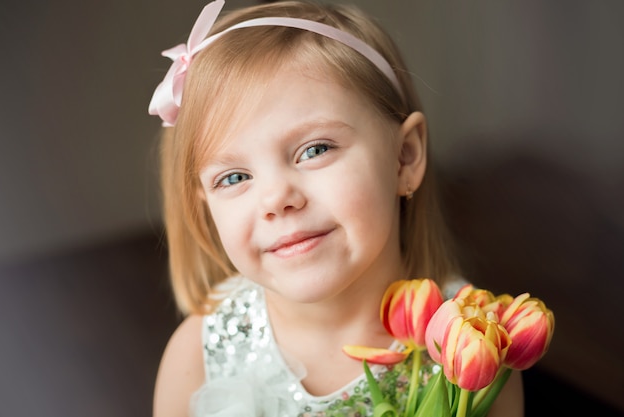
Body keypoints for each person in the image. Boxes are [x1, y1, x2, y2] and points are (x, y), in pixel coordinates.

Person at [148, 0, 525, 416]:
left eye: (315, 150)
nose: (276, 199)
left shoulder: (474, 344)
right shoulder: (200, 355)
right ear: (205, 203)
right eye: (234, 178)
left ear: (405, 158)